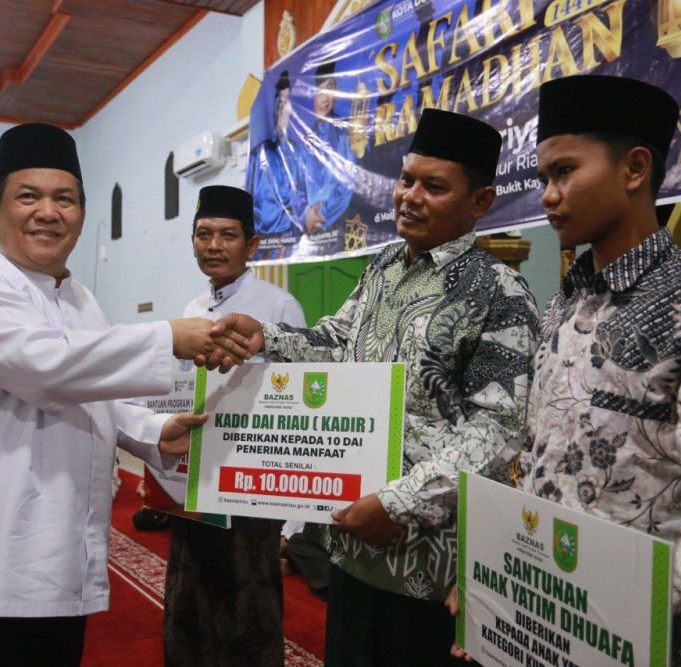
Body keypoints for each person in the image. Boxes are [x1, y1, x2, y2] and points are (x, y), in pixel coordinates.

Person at [0, 123, 246, 667]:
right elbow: (47, 368)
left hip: (56, 560)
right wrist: (169, 338)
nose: (48, 212)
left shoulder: (81, 299)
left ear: (82, 214)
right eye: (28, 196)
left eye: (64, 199)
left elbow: (91, 388)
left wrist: (155, 430)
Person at [210, 109, 539, 666]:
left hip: (431, 566)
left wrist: (398, 504)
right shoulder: (384, 266)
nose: (410, 197)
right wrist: (267, 336)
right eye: (407, 180)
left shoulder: (499, 293)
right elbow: (337, 342)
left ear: (480, 201)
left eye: (434, 187)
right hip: (352, 542)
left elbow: (500, 429)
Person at [517, 74, 681, 665]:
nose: (548, 196)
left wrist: (662, 640)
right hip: (547, 617)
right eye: (543, 178)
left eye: (564, 172)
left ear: (634, 169)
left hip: (637, 633)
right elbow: (534, 457)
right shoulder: (564, 303)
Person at [164, 185, 306, 667]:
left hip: (252, 485)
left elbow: (295, 411)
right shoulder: (191, 309)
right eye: (203, 234)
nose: (213, 245)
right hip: (197, 479)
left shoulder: (278, 307)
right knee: (189, 603)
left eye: (227, 235)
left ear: (252, 245)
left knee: (248, 614)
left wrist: (291, 519)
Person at [296, 60, 354, 257]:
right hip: (310, 231)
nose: (324, 98)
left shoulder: (345, 131)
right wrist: (306, 215)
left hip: (338, 227)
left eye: (329, 89)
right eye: (319, 91)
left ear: (336, 92)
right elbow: (298, 187)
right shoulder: (306, 141)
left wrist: (323, 213)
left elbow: (350, 181)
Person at [247, 70, 305, 257]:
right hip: (263, 247)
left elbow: (304, 198)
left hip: (294, 246)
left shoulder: (300, 154)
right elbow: (250, 203)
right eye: (279, 102)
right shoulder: (259, 156)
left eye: (286, 102)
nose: (282, 109)